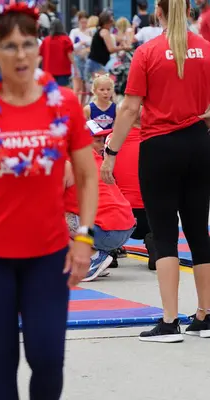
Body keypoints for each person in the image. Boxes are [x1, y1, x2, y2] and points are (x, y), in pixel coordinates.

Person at [0, 3, 99, 399]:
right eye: (10, 46)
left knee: (47, 360)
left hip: (48, 255)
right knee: (2, 366)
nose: (21, 54)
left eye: (29, 43)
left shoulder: (63, 103)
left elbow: (86, 174)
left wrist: (85, 238)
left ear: (40, 47)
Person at [101, 0, 210, 342]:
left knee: (164, 233)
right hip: (198, 143)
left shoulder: (147, 52)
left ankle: (168, 322)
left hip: (160, 147)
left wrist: (111, 151)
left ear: (158, 12)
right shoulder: (206, 49)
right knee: (198, 230)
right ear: (190, 12)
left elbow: (131, 107)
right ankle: (206, 315)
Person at [64, 121, 135, 281]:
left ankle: (93, 257)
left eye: (102, 139)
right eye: (97, 140)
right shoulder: (95, 159)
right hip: (125, 227)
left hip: (106, 229)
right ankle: (95, 258)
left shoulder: (66, 161)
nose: (102, 144)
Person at [106, 107, 154, 270]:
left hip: (122, 214)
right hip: (150, 212)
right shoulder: (154, 139)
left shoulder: (112, 140)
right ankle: (154, 242)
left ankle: (108, 250)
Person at [39, 19, 79, 87]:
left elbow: (39, 55)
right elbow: (70, 55)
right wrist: (75, 68)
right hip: (63, 72)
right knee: (62, 92)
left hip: (48, 72)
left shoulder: (46, 40)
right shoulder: (65, 39)